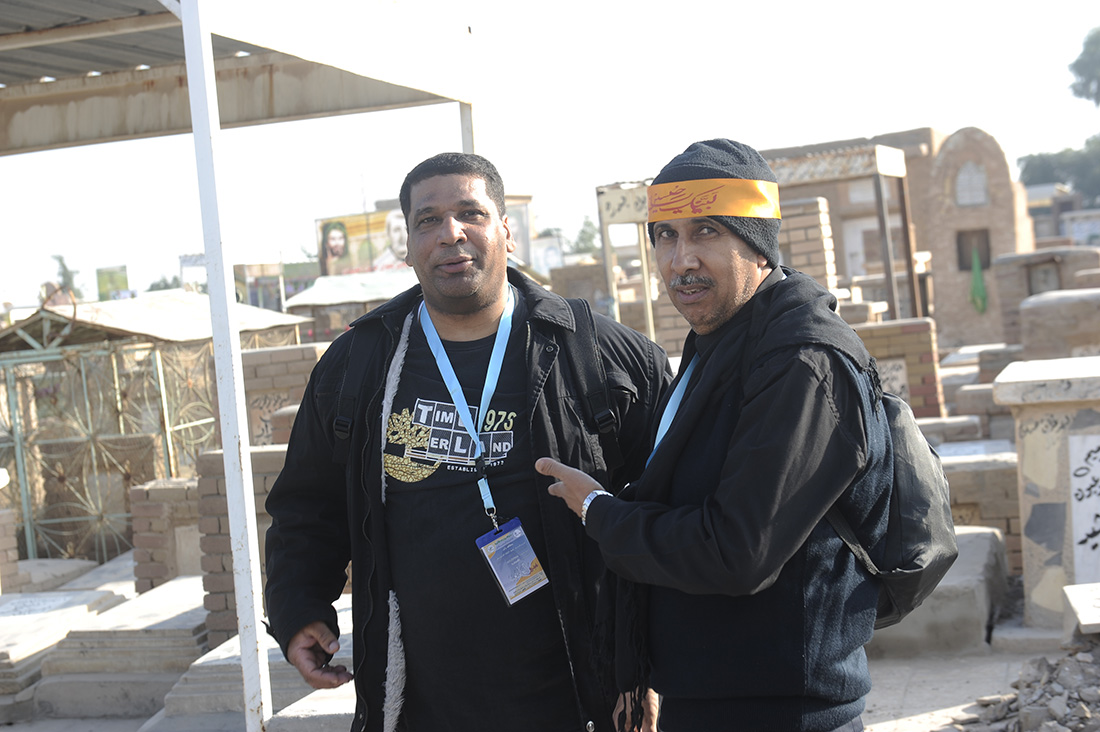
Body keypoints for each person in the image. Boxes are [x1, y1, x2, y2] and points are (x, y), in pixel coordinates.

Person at [264, 151, 671, 732]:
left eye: (470, 213)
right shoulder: (358, 365)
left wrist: (649, 665)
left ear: (506, 230)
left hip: (580, 699)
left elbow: (667, 505)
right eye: (427, 220)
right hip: (420, 705)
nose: (450, 233)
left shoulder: (600, 356)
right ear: (408, 247)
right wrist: (298, 607)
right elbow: (308, 506)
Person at [537, 139, 894, 732]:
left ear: (757, 243)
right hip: (715, 699)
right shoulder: (724, 340)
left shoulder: (801, 361)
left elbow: (737, 551)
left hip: (784, 712)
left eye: (706, 232)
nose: (682, 260)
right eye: (665, 236)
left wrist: (599, 511)